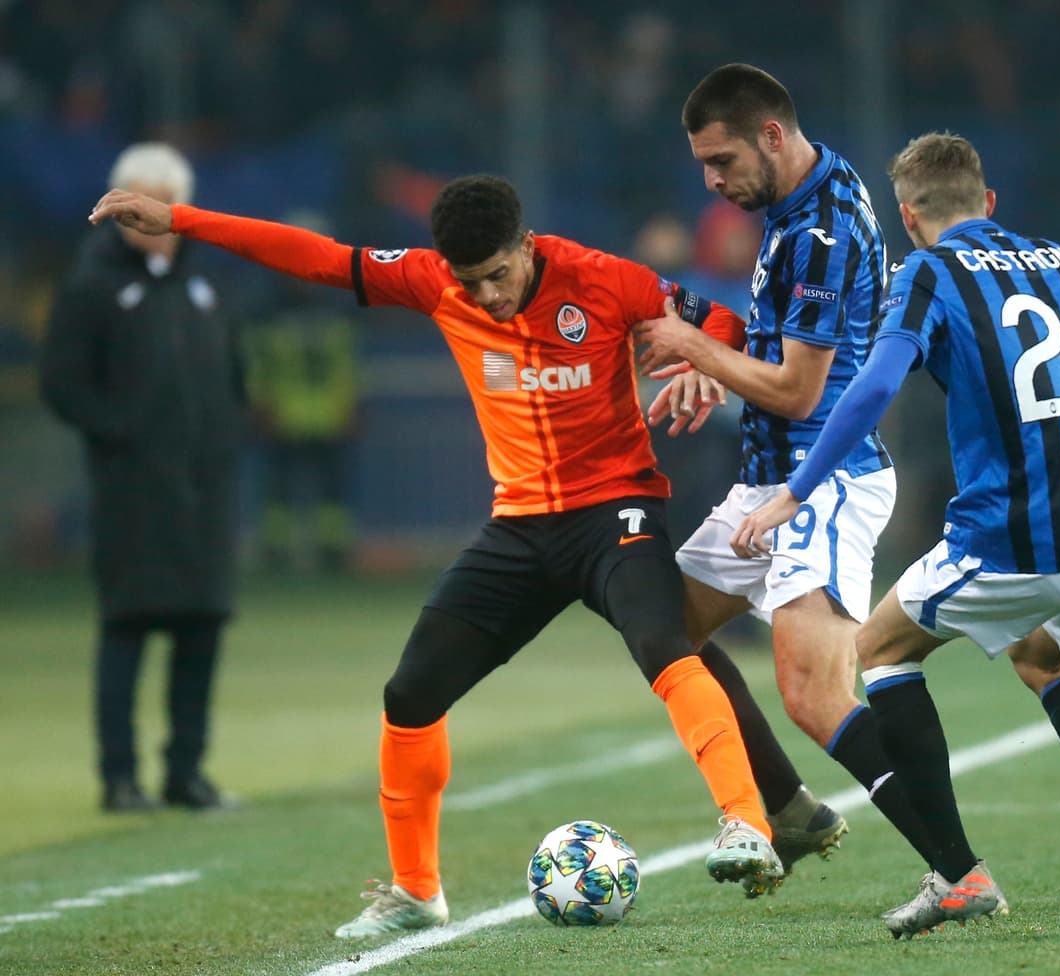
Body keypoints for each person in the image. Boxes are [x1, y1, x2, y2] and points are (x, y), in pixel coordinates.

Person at [88, 172, 808, 937]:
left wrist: (700, 355)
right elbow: (316, 258)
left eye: (499, 273)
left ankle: (745, 826)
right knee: (409, 696)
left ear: (527, 246)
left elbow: (733, 325)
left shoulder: (606, 278)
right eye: (472, 282)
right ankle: (416, 889)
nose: (489, 295)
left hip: (615, 511)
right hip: (521, 529)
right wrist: (181, 220)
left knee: (666, 645)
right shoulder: (436, 282)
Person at [731, 132, 1060, 938]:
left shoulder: (927, 273)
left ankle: (956, 875)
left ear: (908, 217)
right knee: (1039, 651)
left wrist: (795, 492)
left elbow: (872, 387)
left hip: (1021, 536)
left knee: (880, 651)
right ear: (991, 203)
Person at [634, 62, 937, 884]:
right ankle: (792, 811)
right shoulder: (794, 201)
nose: (712, 179)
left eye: (722, 161)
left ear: (771, 135)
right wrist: (721, 363)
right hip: (768, 482)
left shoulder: (823, 230)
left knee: (814, 695)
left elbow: (803, 392)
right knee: (664, 632)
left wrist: (695, 347)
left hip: (822, 478)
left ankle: (960, 869)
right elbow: (780, 354)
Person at [40, 142, 242, 812]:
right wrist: (124, 435)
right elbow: (62, 385)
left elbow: (232, 377)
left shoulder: (206, 282)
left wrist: (219, 440)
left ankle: (187, 771)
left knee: (202, 627)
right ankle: (119, 777)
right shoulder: (91, 284)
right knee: (127, 628)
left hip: (204, 491)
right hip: (131, 492)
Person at [243, 239, 360, 571]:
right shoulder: (270, 315)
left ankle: (332, 554)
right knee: (279, 492)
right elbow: (257, 367)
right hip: (285, 416)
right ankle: (276, 554)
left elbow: (346, 366)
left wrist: (350, 403)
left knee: (331, 493)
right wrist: (260, 404)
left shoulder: (330, 312)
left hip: (326, 416)